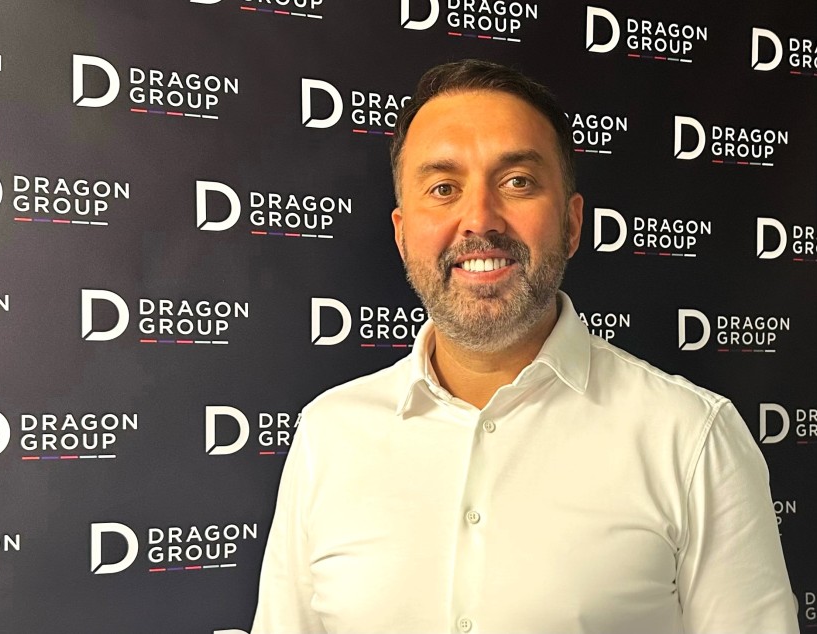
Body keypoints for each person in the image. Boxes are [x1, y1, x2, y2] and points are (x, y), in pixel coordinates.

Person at [251, 59, 797, 633]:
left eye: (517, 182)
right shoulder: (328, 435)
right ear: (402, 233)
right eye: (443, 188)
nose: (480, 220)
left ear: (572, 223)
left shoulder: (692, 439)